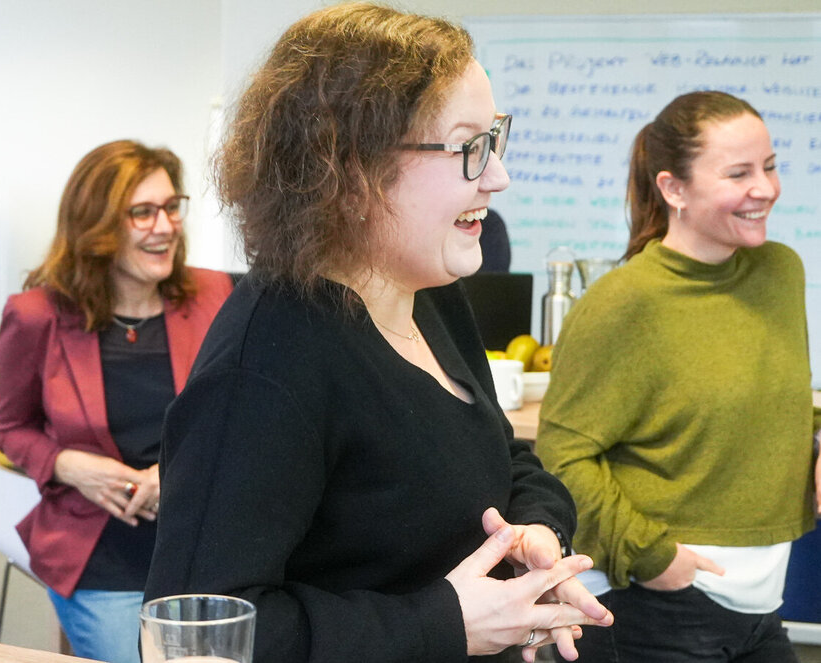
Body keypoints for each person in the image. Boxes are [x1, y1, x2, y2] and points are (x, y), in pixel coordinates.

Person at [142, 5, 612, 663]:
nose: (498, 176)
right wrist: (442, 622)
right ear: (350, 169)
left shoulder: (433, 297)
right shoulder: (266, 366)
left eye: (494, 139)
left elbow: (502, 458)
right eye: (468, 148)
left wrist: (535, 532)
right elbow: (194, 634)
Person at [535, 90, 821, 661]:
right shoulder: (623, 303)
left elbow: (772, 395)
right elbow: (562, 456)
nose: (765, 188)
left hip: (761, 602)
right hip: (653, 607)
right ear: (673, 189)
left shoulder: (779, 272)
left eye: (769, 167)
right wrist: (652, 557)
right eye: (738, 173)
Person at [0, 140, 234, 663]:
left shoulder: (215, 294)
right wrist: (68, 465)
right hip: (100, 558)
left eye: (171, 207)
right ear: (97, 226)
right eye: (142, 213)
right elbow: (11, 429)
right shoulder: (36, 315)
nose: (165, 226)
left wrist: (177, 473)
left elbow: (241, 417)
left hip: (209, 549)